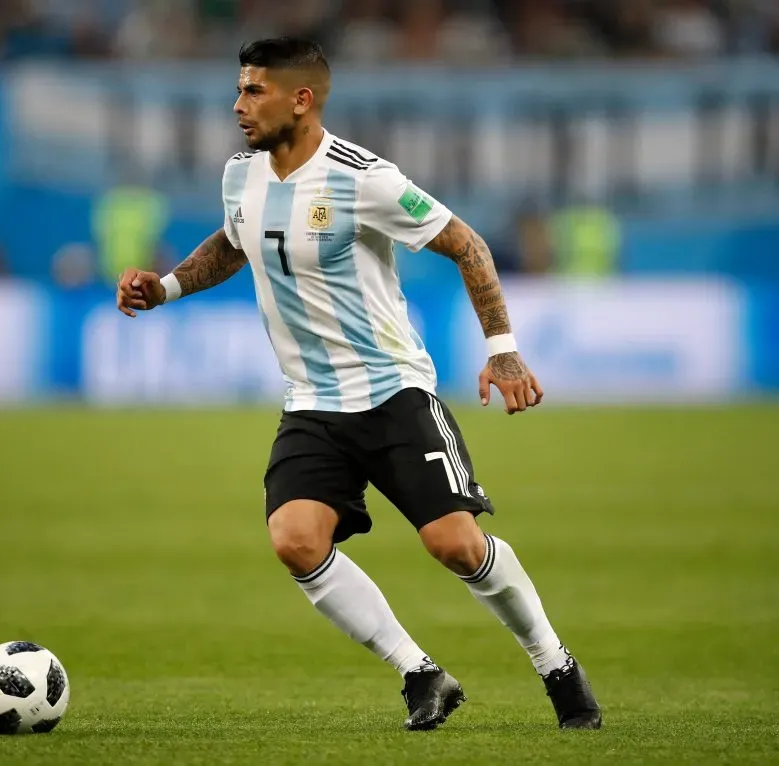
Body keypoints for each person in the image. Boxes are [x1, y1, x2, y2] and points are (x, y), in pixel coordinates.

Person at [116, 37, 601, 732]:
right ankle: (421, 673)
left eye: (254, 91)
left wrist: (503, 351)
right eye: (239, 88)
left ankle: (554, 663)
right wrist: (163, 287)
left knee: (456, 546)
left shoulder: (361, 177)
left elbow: (466, 243)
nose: (238, 105)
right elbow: (233, 242)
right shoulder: (241, 174)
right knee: (295, 539)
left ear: (301, 99)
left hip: (392, 390)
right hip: (311, 401)